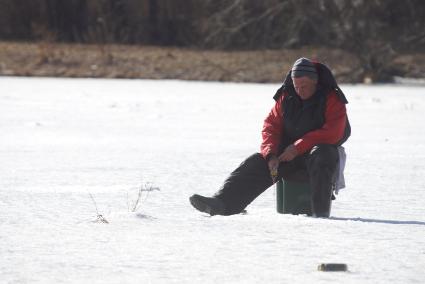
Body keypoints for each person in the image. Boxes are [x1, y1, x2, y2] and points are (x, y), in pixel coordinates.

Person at [189, 58, 351, 218]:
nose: (300, 91)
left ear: (315, 82)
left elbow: (333, 133)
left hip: (316, 154)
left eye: (305, 86)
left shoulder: (332, 98)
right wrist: (271, 154)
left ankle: (320, 213)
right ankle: (222, 204)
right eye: (296, 87)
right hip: (288, 154)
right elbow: (271, 127)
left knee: (323, 153)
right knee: (257, 161)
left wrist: (297, 147)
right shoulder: (286, 97)